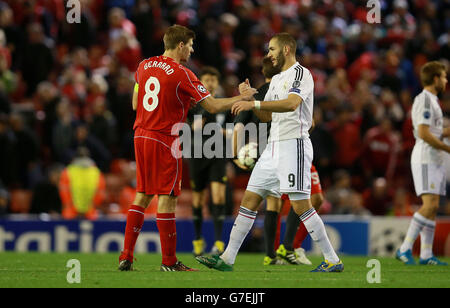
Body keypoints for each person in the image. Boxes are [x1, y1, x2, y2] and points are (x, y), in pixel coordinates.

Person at [196, 33, 343, 272]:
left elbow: (291, 104)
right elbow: (268, 115)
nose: (268, 54)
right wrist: (251, 97)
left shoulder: (301, 74)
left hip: (293, 144)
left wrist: (253, 104)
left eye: (272, 49)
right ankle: (227, 258)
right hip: (272, 147)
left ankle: (332, 260)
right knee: (249, 199)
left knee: (300, 205)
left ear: (286, 49)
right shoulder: (275, 81)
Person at [118, 24, 257, 272]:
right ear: (180, 45)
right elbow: (213, 106)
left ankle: (126, 255)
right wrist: (242, 98)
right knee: (167, 198)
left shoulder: (143, 65)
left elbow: (135, 103)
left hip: (141, 134)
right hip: (164, 137)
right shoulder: (183, 73)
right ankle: (169, 262)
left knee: (142, 194)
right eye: (190, 46)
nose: (192, 50)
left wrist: (175, 103)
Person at [396, 61, 449, 266]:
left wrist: (446, 132)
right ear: (435, 79)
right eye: (443, 77)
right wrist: (447, 148)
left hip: (434, 157)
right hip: (426, 156)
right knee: (429, 205)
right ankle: (404, 248)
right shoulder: (425, 100)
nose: (445, 80)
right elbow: (424, 134)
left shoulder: (434, 101)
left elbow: (433, 132)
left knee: (433, 207)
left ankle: (426, 254)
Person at [189, 66, 233, 256]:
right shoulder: (193, 104)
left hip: (218, 155)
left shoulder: (224, 105)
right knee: (198, 199)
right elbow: (187, 127)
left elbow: (233, 131)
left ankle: (218, 243)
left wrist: (217, 130)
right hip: (197, 154)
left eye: (213, 80)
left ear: (217, 83)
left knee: (218, 197)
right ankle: (198, 240)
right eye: (206, 79)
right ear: (200, 82)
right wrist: (194, 126)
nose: (210, 82)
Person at [59, 147, 106, 220]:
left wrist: (70, 205)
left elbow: (64, 192)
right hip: (90, 214)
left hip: (71, 213)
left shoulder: (67, 172)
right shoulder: (97, 173)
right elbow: (100, 194)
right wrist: (93, 206)